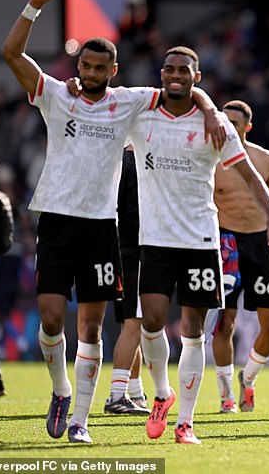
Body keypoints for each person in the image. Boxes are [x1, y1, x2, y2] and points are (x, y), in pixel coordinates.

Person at [2, 0, 226, 444]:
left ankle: (81, 421)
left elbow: (180, 84)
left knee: (89, 325)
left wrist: (207, 109)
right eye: (85, 65)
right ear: (77, 66)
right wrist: (33, 8)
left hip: (103, 225)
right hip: (57, 221)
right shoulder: (55, 95)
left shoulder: (129, 101)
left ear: (113, 70)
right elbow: (11, 55)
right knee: (49, 320)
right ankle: (61, 391)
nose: (91, 72)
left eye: (100, 67)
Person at [132, 46, 269, 444]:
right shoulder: (141, 113)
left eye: (185, 70)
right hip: (156, 238)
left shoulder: (218, 129)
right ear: (161, 73)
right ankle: (163, 394)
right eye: (169, 69)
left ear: (197, 76)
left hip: (202, 239)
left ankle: (186, 422)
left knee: (194, 330)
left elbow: (254, 178)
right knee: (151, 324)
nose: (176, 75)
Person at [208, 99, 269, 414]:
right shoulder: (209, 161)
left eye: (234, 124)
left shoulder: (266, 161)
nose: (227, 128)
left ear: (247, 127)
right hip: (224, 243)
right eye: (223, 122)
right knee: (224, 322)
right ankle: (226, 395)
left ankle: (248, 379)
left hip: (260, 243)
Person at [103, 146, 150, 415]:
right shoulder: (137, 158)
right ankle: (118, 395)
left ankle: (135, 392)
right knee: (136, 323)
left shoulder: (112, 156)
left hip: (117, 247)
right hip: (137, 248)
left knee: (129, 324)